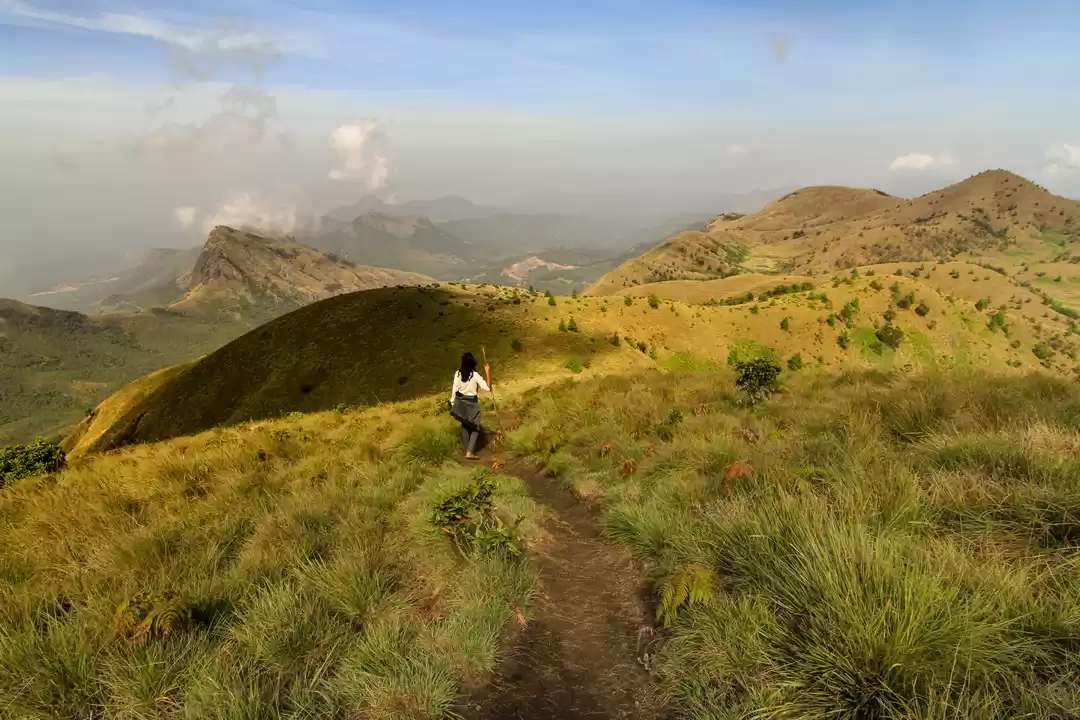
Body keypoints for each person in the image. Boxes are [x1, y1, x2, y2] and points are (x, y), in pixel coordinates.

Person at [449, 351, 490, 459]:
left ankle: (468, 449)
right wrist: (487, 372)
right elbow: (488, 387)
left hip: (460, 402)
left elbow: (454, 389)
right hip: (471, 403)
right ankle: (470, 452)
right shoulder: (475, 375)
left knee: (465, 425)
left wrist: (453, 403)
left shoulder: (457, 373)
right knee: (476, 428)